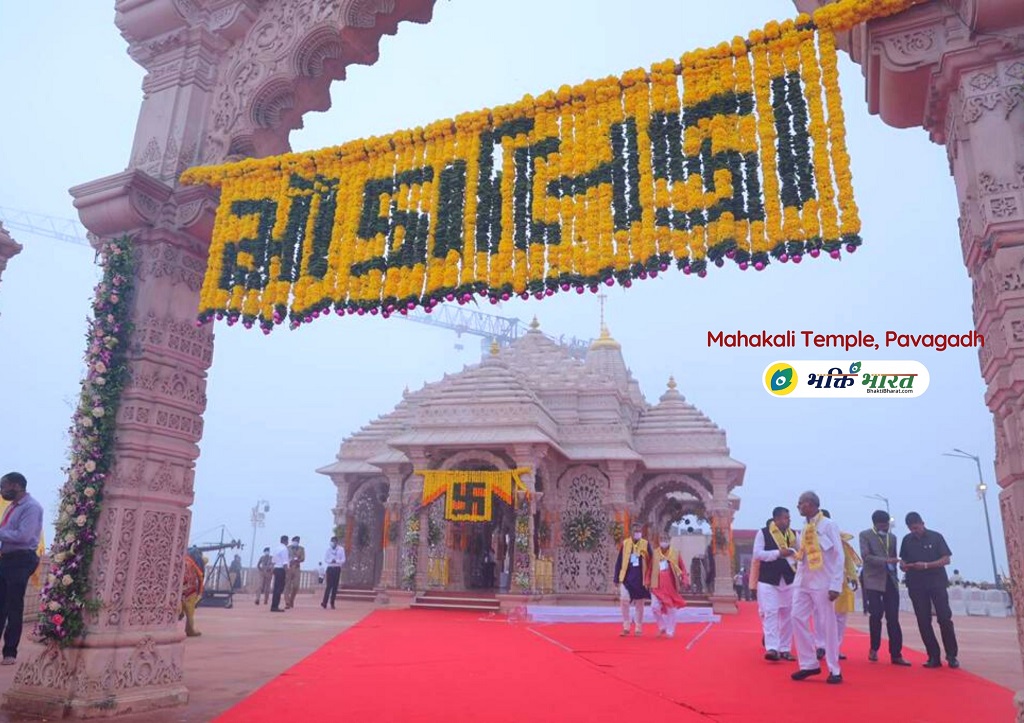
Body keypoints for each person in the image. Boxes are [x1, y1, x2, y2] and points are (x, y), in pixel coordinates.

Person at [790, 491, 844, 684]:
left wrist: (836, 584)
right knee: (796, 617)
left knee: (827, 625)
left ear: (811, 504)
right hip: (803, 581)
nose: (798, 507)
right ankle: (808, 664)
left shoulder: (828, 525)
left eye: (800, 504)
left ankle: (834, 669)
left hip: (823, 582)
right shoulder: (804, 527)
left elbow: (839, 555)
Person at [900, 512, 959, 668]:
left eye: (917, 528)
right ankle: (933, 656)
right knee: (923, 620)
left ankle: (952, 655)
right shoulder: (907, 540)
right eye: (911, 529)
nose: (915, 531)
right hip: (916, 585)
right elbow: (903, 559)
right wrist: (903, 565)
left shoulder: (936, 537)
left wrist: (926, 565)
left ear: (922, 523)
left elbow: (946, 559)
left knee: (944, 618)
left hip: (936, 583)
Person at [0, 472, 43, 664]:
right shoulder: (13, 507)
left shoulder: (31, 508)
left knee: (13, 606)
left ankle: (10, 652)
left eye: (3, 486)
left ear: (16, 486)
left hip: (21, 559)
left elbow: (24, 536)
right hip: (7, 559)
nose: (1, 490)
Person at [859, 510, 910, 665]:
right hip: (873, 581)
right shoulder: (865, 535)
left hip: (890, 581)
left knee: (893, 618)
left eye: (887, 524)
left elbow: (894, 557)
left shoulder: (892, 538)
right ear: (875, 524)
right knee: (876, 615)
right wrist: (887, 560)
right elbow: (866, 557)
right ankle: (874, 648)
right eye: (883, 525)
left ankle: (896, 654)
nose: (886, 527)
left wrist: (900, 564)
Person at [753, 507, 798, 662]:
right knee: (771, 612)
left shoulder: (794, 534)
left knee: (788, 615)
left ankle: (785, 648)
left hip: (789, 580)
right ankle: (772, 648)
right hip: (768, 580)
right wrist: (778, 553)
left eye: (789, 517)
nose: (788, 520)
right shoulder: (763, 533)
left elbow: (799, 553)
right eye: (785, 518)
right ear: (776, 519)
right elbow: (758, 554)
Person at [613, 523, 652, 637]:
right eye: (635, 531)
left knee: (639, 603)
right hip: (626, 578)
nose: (637, 533)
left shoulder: (645, 544)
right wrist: (616, 578)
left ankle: (638, 626)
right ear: (631, 532)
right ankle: (626, 625)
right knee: (624, 600)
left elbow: (651, 562)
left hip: (641, 579)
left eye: (639, 531)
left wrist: (651, 579)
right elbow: (619, 562)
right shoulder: (625, 544)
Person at [650, 537, 689, 638]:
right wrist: (646, 581)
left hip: (671, 586)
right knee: (654, 607)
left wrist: (685, 580)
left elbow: (682, 568)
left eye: (666, 540)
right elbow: (649, 569)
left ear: (669, 541)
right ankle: (662, 626)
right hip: (656, 586)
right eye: (662, 540)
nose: (663, 542)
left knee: (671, 608)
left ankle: (670, 631)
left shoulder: (675, 553)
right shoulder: (655, 553)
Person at [321, 536, 346, 609]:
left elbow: (343, 559)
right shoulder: (328, 550)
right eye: (331, 541)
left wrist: (337, 561)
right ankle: (324, 602)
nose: (332, 543)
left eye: (334, 541)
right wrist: (330, 561)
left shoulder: (341, 549)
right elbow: (325, 559)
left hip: (337, 568)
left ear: (336, 542)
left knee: (335, 587)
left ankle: (332, 602)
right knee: (328, 586)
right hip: (330, 568)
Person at [270, 535, 290, 612]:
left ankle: (274, 605)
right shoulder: (284, 549)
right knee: (279, 588)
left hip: (276, 569)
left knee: (276, 588)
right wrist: (287, 572)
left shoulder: (276, 548)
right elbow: (285, 563)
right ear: (286, 541)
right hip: (281, 570)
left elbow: (273, 561)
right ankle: (275, 606)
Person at [284, 535, 305, 609]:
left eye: (297, 541)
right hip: (289, 568)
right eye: (295, 541)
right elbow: (284, 557)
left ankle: (291, 599)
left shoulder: (301, 549)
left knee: (296, 586)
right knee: (287, 586)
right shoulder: (287, 548)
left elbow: (303, 558)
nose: (296, 542)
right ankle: (287, 602)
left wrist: (297, 560)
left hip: (296, 568)